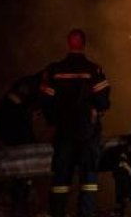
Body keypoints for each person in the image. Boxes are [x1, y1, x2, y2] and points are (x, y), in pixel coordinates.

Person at [39, 29, 110, 217]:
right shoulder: (94, 70)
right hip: (87, 131)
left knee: (61, 177)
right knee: (88, 177)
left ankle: (58, 212)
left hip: (64, 132)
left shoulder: (54, 70)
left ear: (68, 43)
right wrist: (95, 112)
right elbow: (103, 101)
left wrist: (53, 120)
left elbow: (46, 100)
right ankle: (85, 213)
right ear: (84, 44)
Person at [0, 71, 44, 216]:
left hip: (19, 126)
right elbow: (14, 103)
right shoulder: (28, 85)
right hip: (9, 124)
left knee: (30, 151)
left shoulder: (42, 90)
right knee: (25, 154)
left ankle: (22, 191)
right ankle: (17, 194)